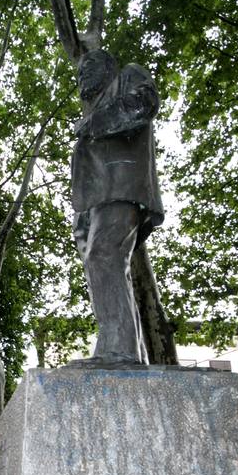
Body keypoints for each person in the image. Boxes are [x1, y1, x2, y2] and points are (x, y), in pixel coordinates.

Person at [71, 49, 164, 365]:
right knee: (102, 261)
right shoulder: (97, 102)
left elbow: (145, 104)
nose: (81, 76)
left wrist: (92, 123)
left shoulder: (129, 74)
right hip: (97, 200)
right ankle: (123, 348)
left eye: (87, 68)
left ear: (106, 65)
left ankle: (118, 350)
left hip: (123, 188)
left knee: (105, 255)